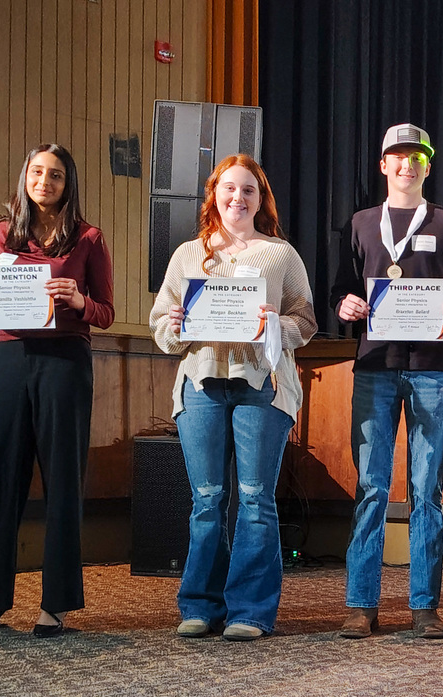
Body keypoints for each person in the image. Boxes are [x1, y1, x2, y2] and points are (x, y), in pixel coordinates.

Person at [0, 143, 115, 637]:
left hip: (64, 361)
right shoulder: (1, 234)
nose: (45, 181)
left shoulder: (88, 238)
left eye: (56, 175)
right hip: (8, 359)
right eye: (37, 172)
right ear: (25, 178)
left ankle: (55, 604)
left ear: (69, 184)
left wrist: (80, 301)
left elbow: (104, 311)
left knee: (62, 478)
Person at [150, 154, 316, 641]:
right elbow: (161, 320)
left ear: (260, 199)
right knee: (206, 499)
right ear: (214, 195)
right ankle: (201, 604)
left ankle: (250, 611)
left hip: (261, 384)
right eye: (228, 188)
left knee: (254, 497)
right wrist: (175, 327)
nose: (237, 198)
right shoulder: (187, 254)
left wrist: (275, 326)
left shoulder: (280, 254)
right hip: (200, 384)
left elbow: (305, 320)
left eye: (248, 190)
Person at [329, 123, 443, 639]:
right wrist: (343, 305)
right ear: (383, 164)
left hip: (431, 369)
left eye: (417, 157)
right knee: (371, 487)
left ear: (427, 166)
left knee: (426, 490)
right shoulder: (361, 223)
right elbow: (343, 290)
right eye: (397, 155)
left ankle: (424, 606)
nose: (407, 165)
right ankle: (361, 605)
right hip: (374, 368)